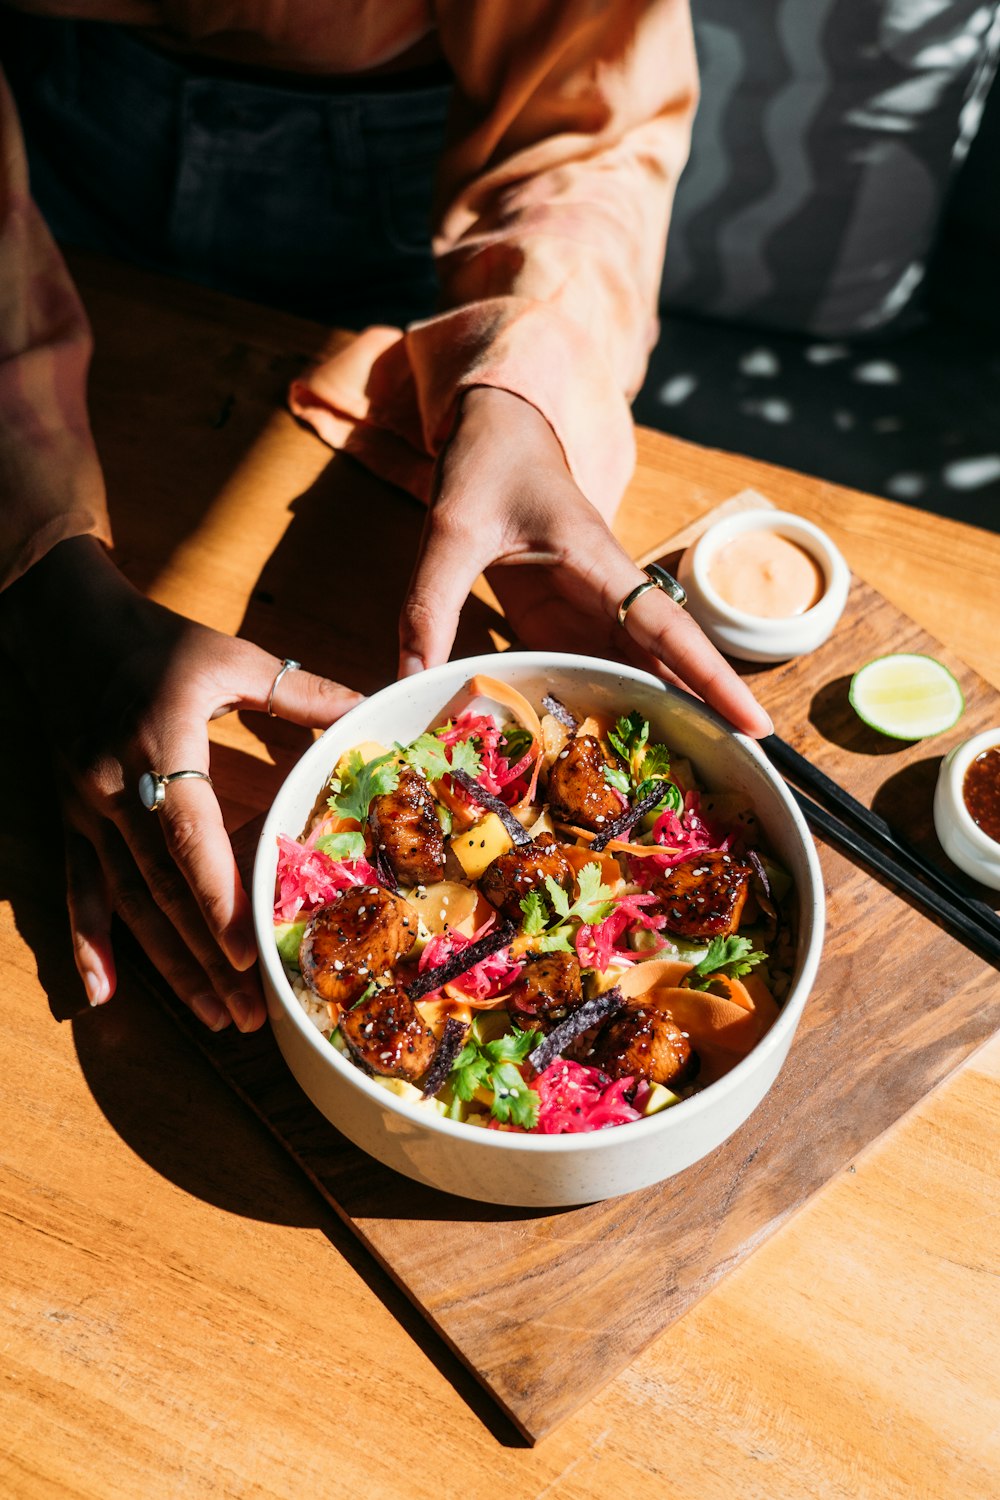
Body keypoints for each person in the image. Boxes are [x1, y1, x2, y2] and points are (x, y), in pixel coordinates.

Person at [0, 1, 771, 1037]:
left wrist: (521, 387)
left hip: (412, 173)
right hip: (47, 144)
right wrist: (40, 571)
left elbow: (589, 106)